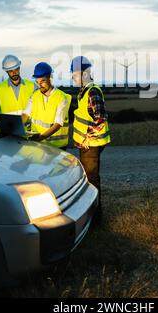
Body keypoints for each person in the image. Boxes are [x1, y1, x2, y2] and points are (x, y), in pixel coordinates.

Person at [71, 56, 111, 225]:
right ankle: (94, 217)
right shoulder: (84, 91)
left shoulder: (92, 91)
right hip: (87, 144)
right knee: (90, 179)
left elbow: (101, 118)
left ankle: (95, 220)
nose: (72, 77)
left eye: (75, 74)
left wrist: (88, 135)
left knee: (91, 181)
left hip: (91, 145)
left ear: (85, 74)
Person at [22, 62, 71, 148]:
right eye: (37, 82)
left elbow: (58, 124)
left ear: (50, 78)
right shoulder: (35, 95)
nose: (39, 85)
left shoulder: (62, 97)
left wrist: (41, 138)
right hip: (38, 144)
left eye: (42, 81)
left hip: (57, 147)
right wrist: (16, 128)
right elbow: (26, 115)